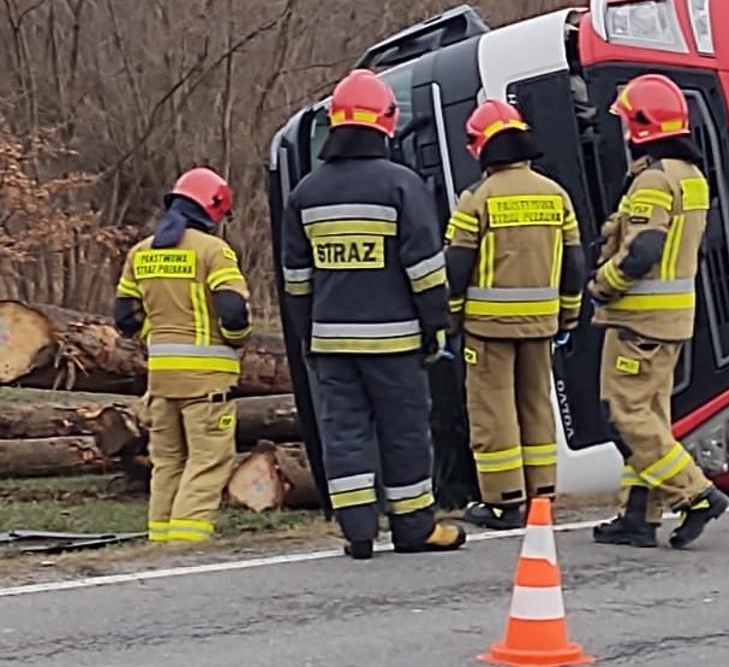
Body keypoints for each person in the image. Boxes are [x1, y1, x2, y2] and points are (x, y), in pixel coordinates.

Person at [281, 69, 465, 559]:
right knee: (403, 430)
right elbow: (425, 269)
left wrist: (308, 337)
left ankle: (358, 532)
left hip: (332, 342)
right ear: (387, 121)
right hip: (395, 341)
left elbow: (296, 281)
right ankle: (414, 527)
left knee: (344, 431)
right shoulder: (402, 186)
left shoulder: (305, 193)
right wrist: (436, 327)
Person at [590, 74, 729, 550]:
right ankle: (637, 516)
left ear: (641, 126)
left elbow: (644, 247)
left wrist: (602, 285)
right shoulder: (691, 177)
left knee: (624, 413)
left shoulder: (653, 179)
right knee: (649, 415)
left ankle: (695, 494)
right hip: (670, 320)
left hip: (638, 319)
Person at [445, 98, 586, 530]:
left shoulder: (477, 199)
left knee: (494, 412)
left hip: (487, 328)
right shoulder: (555, 195)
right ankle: (541, 494)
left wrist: (450, 320)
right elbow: (575, 263)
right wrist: (568, 316)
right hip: (542, 325)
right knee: (536, 405)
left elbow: (456, 266)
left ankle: (504, 501)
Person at [112, 168, 250, 543]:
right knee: (207, 462)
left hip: (160, 381)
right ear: (214, 207)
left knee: (167, 463)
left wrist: (154, 337)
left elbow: (124, 318)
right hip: (207, 383)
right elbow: (234, 310)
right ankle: (187, 544)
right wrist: (235, 340)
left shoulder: (141, 253)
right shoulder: (213, 251)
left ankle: (159, 540)